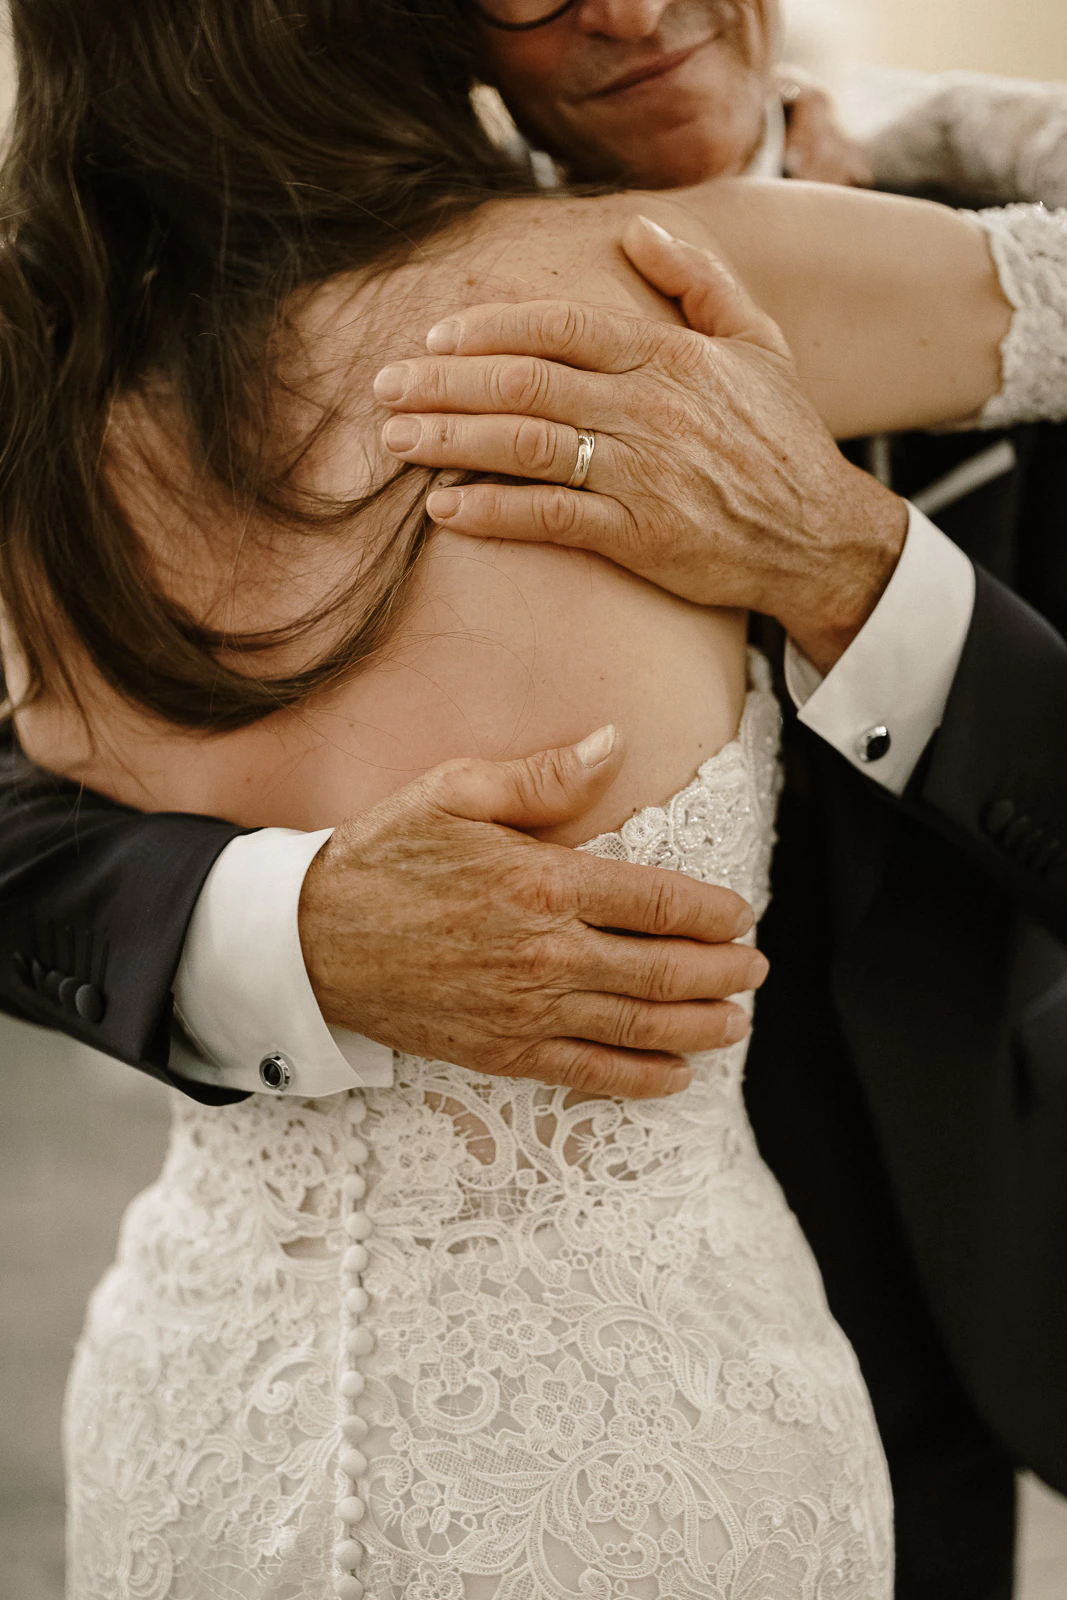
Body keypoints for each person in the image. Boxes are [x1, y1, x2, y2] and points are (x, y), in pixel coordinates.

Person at [4, 6, 1066, 1600]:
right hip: (676, 1416)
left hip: (220, 1421)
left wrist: (845, 560)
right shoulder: (664, 276)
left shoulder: (55, 392)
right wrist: (273, 934)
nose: (628, 6)